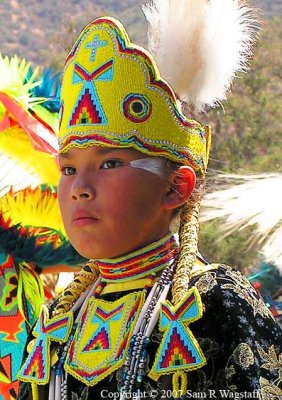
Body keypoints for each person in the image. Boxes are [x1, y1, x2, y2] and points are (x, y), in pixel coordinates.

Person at [17, 2, 282, 399]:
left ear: (176, 187)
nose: (79, 188)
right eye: (68, 169)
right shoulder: (56, 323)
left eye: (109, 162)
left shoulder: (217, 305)